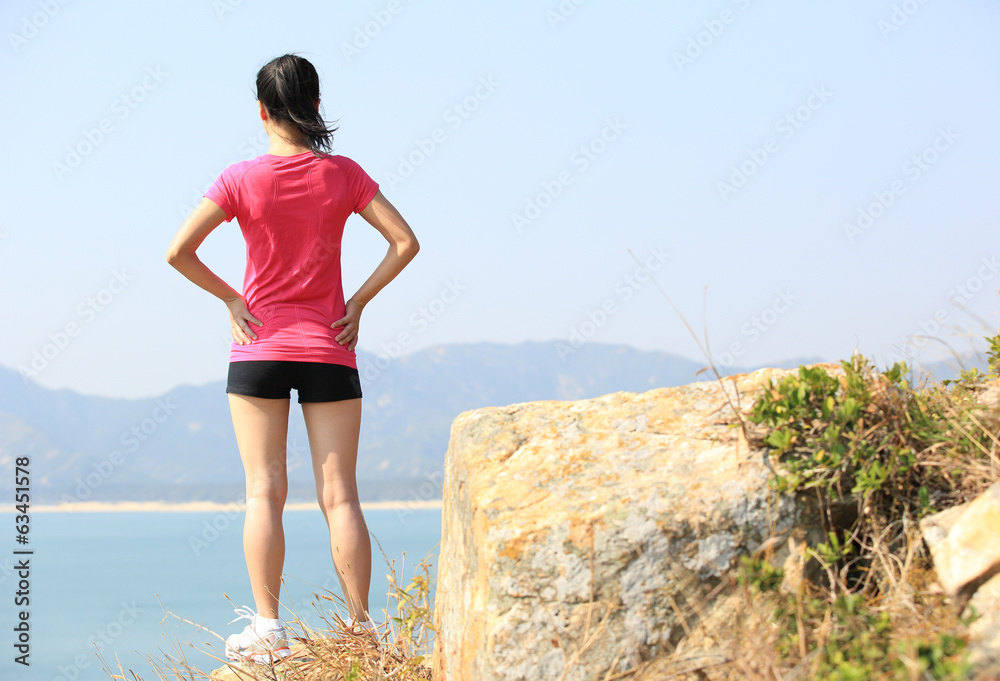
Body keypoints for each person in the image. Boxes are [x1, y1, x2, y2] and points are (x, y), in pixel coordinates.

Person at [166, 53, 419, 664]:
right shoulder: (344, 174)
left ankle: (269, 629)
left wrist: (231, 297)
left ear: (261, 111)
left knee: (263, 492)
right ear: (315, 105)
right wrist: (357, 302)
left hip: (259, 348)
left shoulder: (238, 179)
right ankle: (363, 632)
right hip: (331, 347)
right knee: (342, 497)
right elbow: (406, 241)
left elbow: (178, 251)